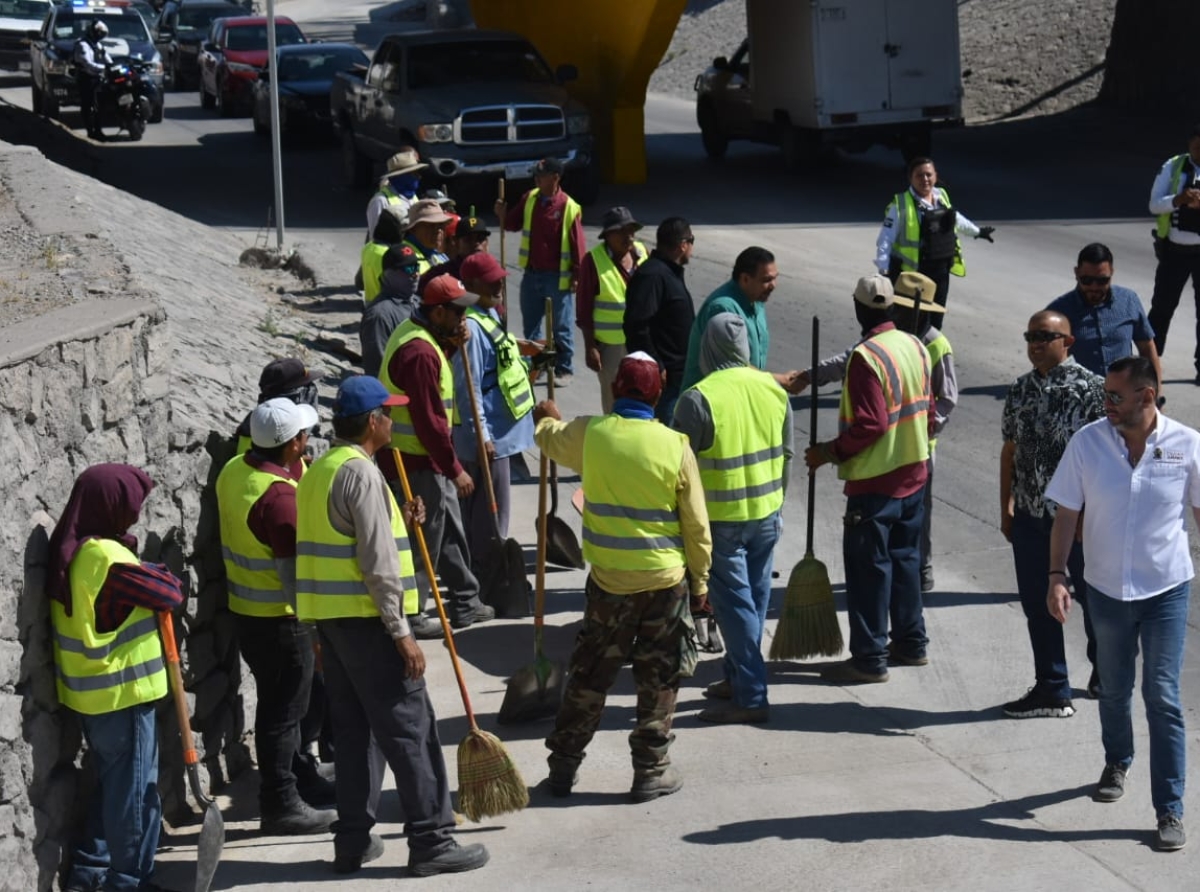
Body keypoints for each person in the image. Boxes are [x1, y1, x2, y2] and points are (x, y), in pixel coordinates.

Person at [295, 376, 489, 877]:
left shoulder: (321, 468)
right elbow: (377, 563)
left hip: (335, 625)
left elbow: (337, 542)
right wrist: (402, 632)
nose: (394, 421)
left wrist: (400, 517)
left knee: (357, 734)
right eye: (389, 413)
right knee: (410, 729)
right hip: (370, 625)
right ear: (374, 421)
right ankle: (431, 840)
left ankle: (353, 842)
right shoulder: (361, 473)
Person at [534, 352, 712, 800]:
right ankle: (650, 771)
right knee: (659, 678)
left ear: (616, 389)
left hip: (610, 584)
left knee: (591, 674)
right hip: (664, 584)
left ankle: (563, 768)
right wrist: (701, 586)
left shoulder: (591, 434)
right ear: (659, 390)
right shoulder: (675, 445)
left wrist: (544, 417)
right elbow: (696, 528)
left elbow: (550, 440)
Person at [1045, 356, 1200, 852]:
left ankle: (1169, 808)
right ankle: (1118, 760)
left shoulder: (1188, 445)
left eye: (1115, 396)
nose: (1105, 403)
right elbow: (1067, 514)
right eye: (1104, 395)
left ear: (1147, 397)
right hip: (1106, 591)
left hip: (1166, 591)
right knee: (1113, 689)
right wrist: (1056, 576)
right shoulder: (1088, 442)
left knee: (1163, 696)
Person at [48, 464, 184, 892]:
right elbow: (170, 593)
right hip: (123, 696)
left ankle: (88, 872)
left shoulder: (74, 549)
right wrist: (158, 570)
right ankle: (129, 881)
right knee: (135, 799)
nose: (137, 512)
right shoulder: (106, 557)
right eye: (132, 503)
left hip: (93, 697)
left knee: (112, 787)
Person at [216, 399, 337, 835]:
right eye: (303, 439)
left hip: (249, 614)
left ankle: (298, 780)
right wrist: (315, 629)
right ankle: (281, 804)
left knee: (279, 709)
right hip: (282, 621)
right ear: (292, 445)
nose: (307, 446)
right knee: (284, 715)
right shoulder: (280, 499)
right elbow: (292, 578)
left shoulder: (235, 472)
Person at [805, 275, 933, 684]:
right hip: (914, 474)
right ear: (891, 307)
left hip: (875, 484)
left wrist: (827, 452)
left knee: (868, 573)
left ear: (859, 308)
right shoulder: (915, 344)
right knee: (906, 563)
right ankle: (911, 645)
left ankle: (869, 658)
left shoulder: (866, 357)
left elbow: (871, 425)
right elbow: (928, 412)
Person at [794, 272, 954, 592]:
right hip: (902, 456)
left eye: (910, 309)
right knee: (895, 557)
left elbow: (942, 402)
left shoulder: (931, 345)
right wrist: (808, 376)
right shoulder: (891, 343)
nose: (905, 314)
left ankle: (922, 568)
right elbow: (844, 362)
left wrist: (827, 452)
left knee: (890, 558)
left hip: (909, 455)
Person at [672, 313, 792, 724]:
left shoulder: (697, 398)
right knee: (753, 605)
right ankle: (736, 675)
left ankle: (752, 696)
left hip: (721, 522)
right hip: (766, 514)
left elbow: (678, 470)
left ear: (708, 347)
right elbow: (787, 455)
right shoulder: (773, 389)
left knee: (736, 608)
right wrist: (778, 505)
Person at [999, 311, 1104, 719]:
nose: (1035, 343)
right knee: (1036, 602)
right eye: (1030, 336)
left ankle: (1107, 672)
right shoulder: (1021, 389)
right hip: (1029, 516)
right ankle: (1052, 687)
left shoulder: (1091, 389)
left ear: (1068, 342)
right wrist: (1005, 507)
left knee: (1095, 602)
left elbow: (1108, 459)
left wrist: (1090, 515)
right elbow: (1010, 451)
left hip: (1078, 522)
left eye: (1045, 336)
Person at [378, 274, 494, 633]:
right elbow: (428, 422)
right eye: (458, 312)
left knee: (449, 530)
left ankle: (465, 599)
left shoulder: (423, 336)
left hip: (427, 460)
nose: (464, 319)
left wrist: (454, 346)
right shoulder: (419, 353)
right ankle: (413, 613)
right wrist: (455, 468)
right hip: (413, 462)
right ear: (439, 313)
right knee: (422, 540)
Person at [452, 252, 535, 564]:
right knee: (489, 518)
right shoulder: (470, 327)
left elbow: (500, 363)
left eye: (500, 278)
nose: (500, 284)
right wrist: (481, 437)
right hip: (489, 442)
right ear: (471, 285)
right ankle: (488, 575)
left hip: (501, 437)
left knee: (488, 514)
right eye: (491, 281)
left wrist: (530, 357)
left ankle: (484, 569)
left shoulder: (488, 314)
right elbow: (468, 388)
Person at [495, 157, 586, 384]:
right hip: (532, 274)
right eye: (536, 174)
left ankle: (563, 367)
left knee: (561, 326)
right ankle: (538, 365)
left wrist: (577, 274)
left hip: (557, 277)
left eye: (541, 175)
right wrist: (502, 214)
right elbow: (511, 223)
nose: (536, 178)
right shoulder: (530, 199)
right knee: (532, 325)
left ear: (555, 178)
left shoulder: (568, 206)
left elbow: (578, 244)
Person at [875, 155, 995, 314]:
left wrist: (977, 232)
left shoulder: (941, 196)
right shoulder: (901, 205)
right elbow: (885, 239)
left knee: (936, 318)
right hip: (914, 275)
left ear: (935, 176)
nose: (925, 179)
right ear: (910, 178)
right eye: (919, 175)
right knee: (912, 320)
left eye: (929, 174)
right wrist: (884, 269)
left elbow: (955, 218)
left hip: (941, 270)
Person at [681, 246, 800, 393]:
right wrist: (778, 380)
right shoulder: (723, 308)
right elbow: (732, 366)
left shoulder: (756, 299)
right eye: (767, 280)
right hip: (710, 404)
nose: (773, 285)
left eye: (775, 278)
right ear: (745, 279)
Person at [1046, 243, 1163, 390]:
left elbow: (1147, 347)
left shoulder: (1128, 300)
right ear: (1076, 273)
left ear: (1112, 272)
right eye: (1087, 280)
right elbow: (1045, 363)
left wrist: (1156, 394)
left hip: (1125, 399)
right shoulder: (1058, 313)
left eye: (1102, 280)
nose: (1094, 287)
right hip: (1079, 402)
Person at [623, 216, 696, 423]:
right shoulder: (653, 276)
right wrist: (656, 365)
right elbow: (636, 326)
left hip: (677, 378)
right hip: (664, 381)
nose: (692, 247)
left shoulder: (668, 273)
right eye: (691, 241)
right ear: (683, 245)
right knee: (664, 438)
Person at [576, 207, 647, 412]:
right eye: (622, 231)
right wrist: (590, 347)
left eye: (631, 230)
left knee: (643, 393)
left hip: (641, 340)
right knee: (614, 398)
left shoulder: (642, 254)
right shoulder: (593, 261)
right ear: (608, 235)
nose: (629, 236)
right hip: (610, 346)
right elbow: (583, 309)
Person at [1147, 129, 1200, 384]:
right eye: (1197, 146)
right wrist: (1178, 200)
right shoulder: (1173, 166)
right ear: (1189, 144)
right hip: (1174, 251)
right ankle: (1148, 368)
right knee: (1161, 310)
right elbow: (1154, 205)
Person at [234, 357, 323, 457]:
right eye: (308, 386)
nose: (312, 389)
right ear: (296, 395)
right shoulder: (289, 443)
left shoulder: (254, 421)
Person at [361, 245, 421, 378]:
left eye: (417, 267)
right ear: (388, 274)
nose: (415, 274)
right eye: (409, 269)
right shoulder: (379, 315)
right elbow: (377, 369)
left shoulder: (417, 302)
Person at [417, 211, 491, 294]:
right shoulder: (440, 274)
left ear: (487, 242)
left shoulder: (493, 271)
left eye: (480, 239)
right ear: (456, 242)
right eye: (468, 239)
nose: (476, 244)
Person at [365, 148, 426, 238]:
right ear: (401, 177)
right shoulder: (381, 201)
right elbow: (375, 236)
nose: (419, 177)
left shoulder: (413, 197)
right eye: (414, 174)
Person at [73, 20, 112, 141]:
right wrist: (104, 68)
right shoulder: (82, 45)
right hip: (86, 78)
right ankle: (90, 131)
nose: (101, 36)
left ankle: (98, 129)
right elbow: (87, 64)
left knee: (101, 105)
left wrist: (112, 67)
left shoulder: (98, 45)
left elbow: (108, 60)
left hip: (98, 78)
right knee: (88, 105)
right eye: (99, 33)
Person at [360, 208, 407, 305]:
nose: (406, 231)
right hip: (385, 306)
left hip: (370, 303)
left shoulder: (368, 247)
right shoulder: (388, 254)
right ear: (393, 228)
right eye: (403, 227)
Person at [399, 199, 451, 278]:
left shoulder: (440, 256)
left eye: (441, 225)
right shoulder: (403, 256)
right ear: (413, 229)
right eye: (431, 225)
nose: (438, 230)